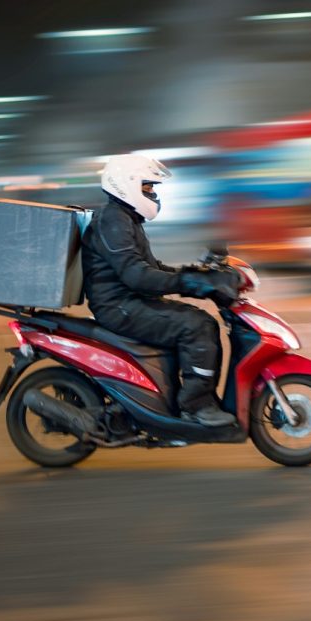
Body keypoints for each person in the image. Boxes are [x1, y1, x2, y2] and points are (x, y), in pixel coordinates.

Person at [81, 154, 242, 427]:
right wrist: (189, 284)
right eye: (148, 187)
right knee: (197, 325)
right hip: (119, 306)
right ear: (127, 184)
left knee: (197, 321)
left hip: (128, 302)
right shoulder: (113, 220)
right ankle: (196, 406)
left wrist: (195, 275)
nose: (153, 193)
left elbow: (152, 268)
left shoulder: (124, 218)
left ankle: (180, 397)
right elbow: (137, 276)